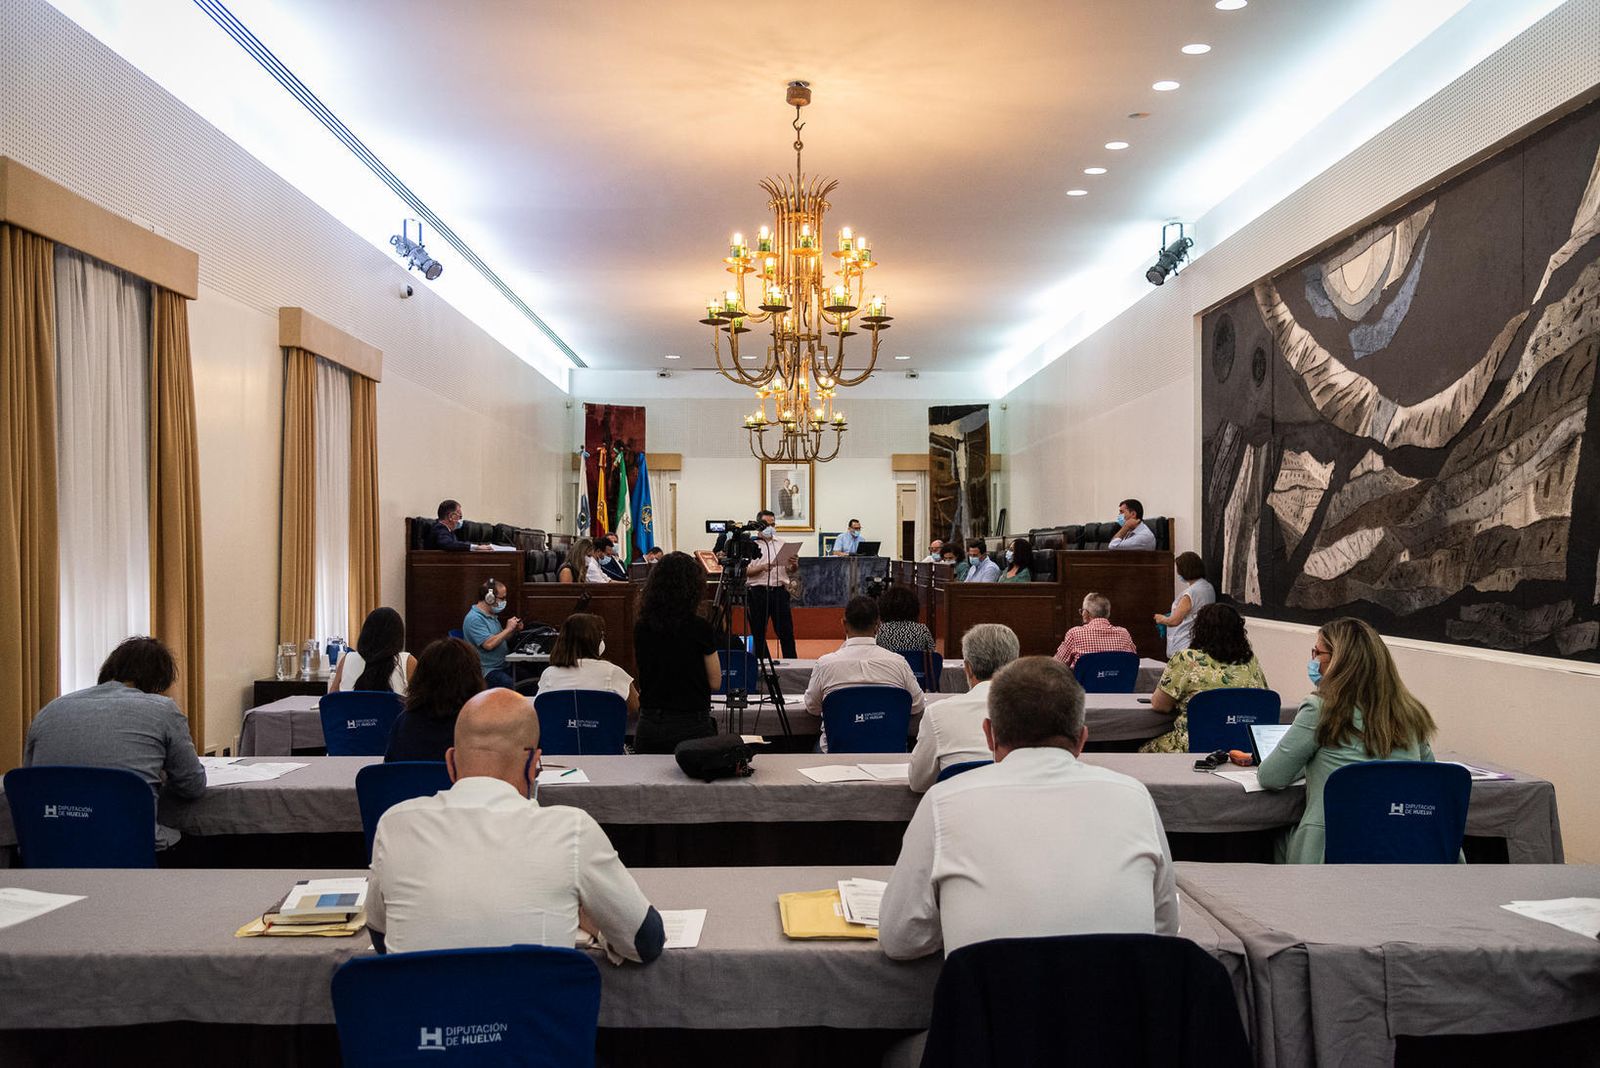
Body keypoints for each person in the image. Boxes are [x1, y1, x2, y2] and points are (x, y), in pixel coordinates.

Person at [880, 656, 1178, 960]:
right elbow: (1164, 928)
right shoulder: (1135, 798)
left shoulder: (942, 802)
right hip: (1117, 1004)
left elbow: (901, 940)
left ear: (989, 735)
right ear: (1082, 739)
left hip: (987, 1004)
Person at [367, 688, 664, 960]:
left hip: (424, 1018)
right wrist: (592, 921)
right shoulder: (572, 831)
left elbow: (382, 939)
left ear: (451, 762)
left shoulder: (395, 825)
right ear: (534, 764)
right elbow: (645, 942)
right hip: (536, 1017)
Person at [1259, 617, 1439, 864]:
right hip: (1404, 846)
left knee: (1261, 839)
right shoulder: (1410, 712)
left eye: (1317, 652)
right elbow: (1428, 776)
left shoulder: (1320, 709)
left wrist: (1306, 766)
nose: (1313, 660)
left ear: (1338, 662)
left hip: (1332, 848)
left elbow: (1271, 776)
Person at [23, 636, 205, 850]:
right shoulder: (163, 709)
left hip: (50, 848)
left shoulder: (50, 710)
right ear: (157, 682)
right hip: (130, 848)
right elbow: (192, 786)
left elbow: (29, 780)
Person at [1140, 603, 1269, 753]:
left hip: (1195, 745)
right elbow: (1262, 699)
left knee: (1141, 750)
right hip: (1243, 747)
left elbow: (1160, 705)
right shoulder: (1250, 661)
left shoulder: (1186, 659)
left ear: (1199, 630)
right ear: (1239, 631)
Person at [803, 595, 925, 752]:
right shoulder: (898, 663)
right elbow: (917, 705)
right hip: (890, 751)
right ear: (878, 625)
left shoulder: (825, 664)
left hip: (836, 752)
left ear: (844, 624)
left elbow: (812, 707)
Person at [907, 624, 1020, 791]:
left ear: (967, 668)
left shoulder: (938, 714)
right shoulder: (1041, 712)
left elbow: (918, 783)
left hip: (959, 812)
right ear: (1016, 665)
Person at [632, 551, 721, 753]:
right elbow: (715, 682)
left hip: (651, 723)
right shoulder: (700, 628)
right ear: (694, 588)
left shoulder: (642, 626)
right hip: (693, 724)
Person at [386, 637, 485, 762]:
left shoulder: (403, 723)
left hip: (413, 781)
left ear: (420, 677)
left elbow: (390, 769)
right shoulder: (480, 728)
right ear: (474, 679)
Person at [536, 613, 640, 715]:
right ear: (595, 640)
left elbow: (539, 709)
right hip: (602, 732)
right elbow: (636, 708)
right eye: (602, 636)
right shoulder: (612, 672)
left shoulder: (549, 674)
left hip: (558, 732)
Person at [746, 510, 799, 661]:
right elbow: (745, 571)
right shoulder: (750, 545)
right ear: (759, 526)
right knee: (758, 632)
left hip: (779, 592)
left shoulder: (782, 543)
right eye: (767, 525)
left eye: (773, 524)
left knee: (786, 632)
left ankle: (792, 663)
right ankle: (762, 664)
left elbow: (790, 570)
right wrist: (762, 567)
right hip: (758, 592)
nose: (771, 527)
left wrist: (793, 565)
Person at [329, 606, 415, 695]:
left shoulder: (347, 660)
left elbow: (332, 699)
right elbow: (421, 700)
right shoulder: (407, 662)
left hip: (353, 709)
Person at [462, 579, 522, 689]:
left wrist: (513, 630)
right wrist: (507, 629)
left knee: (530, 678)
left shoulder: (491, 615)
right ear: (489, 598)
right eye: (502, 598)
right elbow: (488, 644)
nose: (504, 602)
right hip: (487, 670)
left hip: (503, 665)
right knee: (509, 684)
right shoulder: (474, 619)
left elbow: (499, 640)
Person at [1155, 551, 1216, 656]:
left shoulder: (1190, 593)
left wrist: (1161, 619)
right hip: (1200, 641)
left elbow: (1175, 621)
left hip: (1184, 644)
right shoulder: (1208, 587)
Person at [1052, 593, 1137, 668]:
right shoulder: (1124, 633)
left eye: (1082, 611)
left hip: (1083, 686)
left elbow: (1057, 665)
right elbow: (1133, 659)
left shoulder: (1074, 633)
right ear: (1108, 613)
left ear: (1085, 613)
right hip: (1120, 685)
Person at [875, 584, 934, 655]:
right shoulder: (922, 630)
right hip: (914, 666)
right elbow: (932, 656)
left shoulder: (880, 630)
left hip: (889, 666)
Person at [423, 499, 489, 552]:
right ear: (451, 517)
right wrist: (476, 547)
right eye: (460, 516)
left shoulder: (448, 530)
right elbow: (448, 544)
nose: (460, 520)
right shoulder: (440, 529)